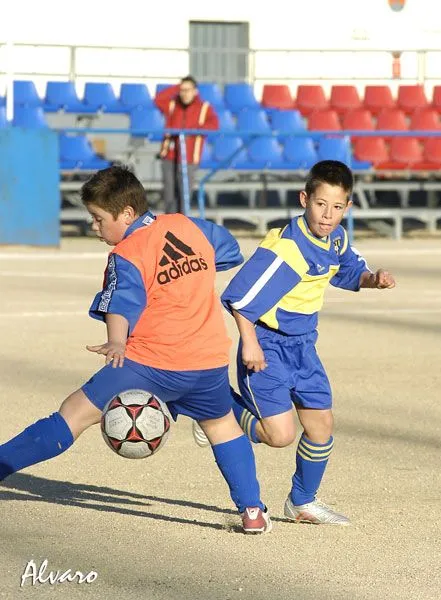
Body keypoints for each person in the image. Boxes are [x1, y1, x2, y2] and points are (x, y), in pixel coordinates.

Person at [0, 165, 271, 535]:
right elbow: (228, 249)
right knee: (221, 427)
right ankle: (253, 510)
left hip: (148, 362)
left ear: (126, 214)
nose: (93, 227)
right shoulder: (190, 226)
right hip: (206, 363)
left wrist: (116, 341)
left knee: (73, 414)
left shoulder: (126, 252)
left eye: (98, 219)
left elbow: (121, 304)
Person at [193, 160, 395, 525]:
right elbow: (239, 297)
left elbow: (348, 271)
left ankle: (302, 501)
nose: (328, 215)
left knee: (321, 426)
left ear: (347, 208)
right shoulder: (287, 249)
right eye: (321, 204)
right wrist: (250, 343)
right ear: (305, 199)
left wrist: (371, 278)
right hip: (268, 348)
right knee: (280, 435)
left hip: (304, 347)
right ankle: (215, 411)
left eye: (337, 207)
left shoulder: (336, 238)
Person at [155, 76, 218, 214]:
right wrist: (177, 87)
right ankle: (169, 226)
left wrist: (195, 130)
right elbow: (158, 100)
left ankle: (183, 226)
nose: (184, 93)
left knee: (185, 195)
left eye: (188, 90)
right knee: (169, 195)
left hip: (189, 158)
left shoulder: (204, 107)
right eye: (182, 90)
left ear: (195, 91)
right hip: (169, 156)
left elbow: (214, 125)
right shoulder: (173, 104)